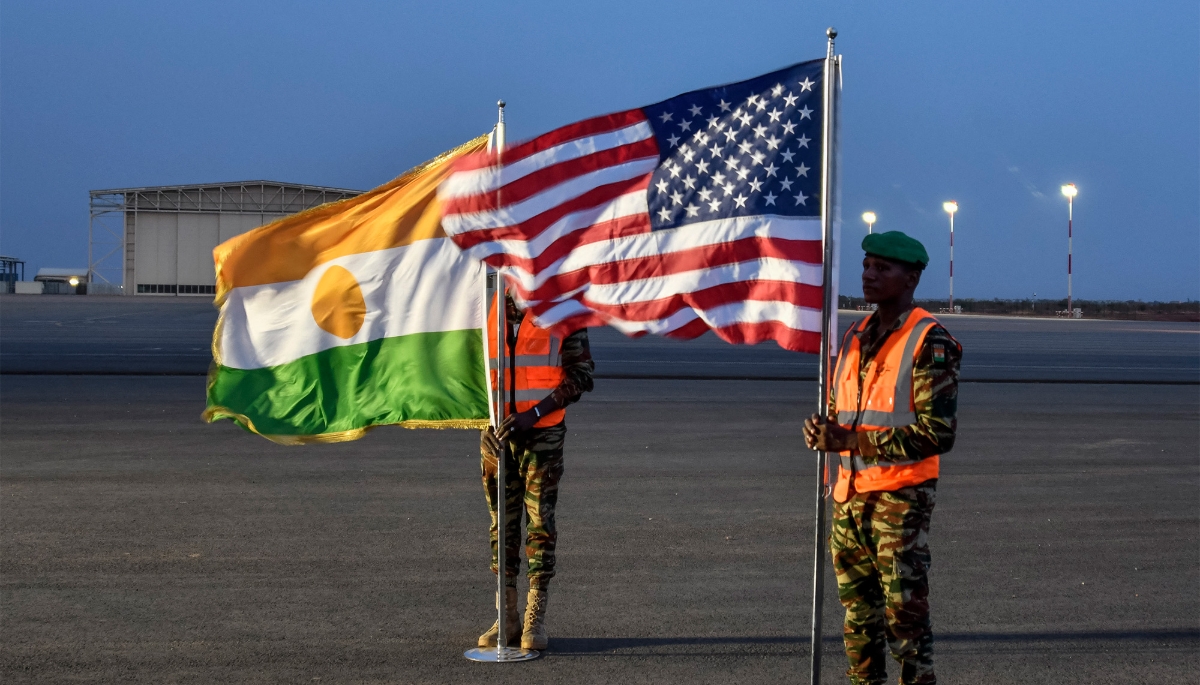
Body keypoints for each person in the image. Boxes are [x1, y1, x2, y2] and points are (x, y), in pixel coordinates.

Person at [804, 231, 961, 685]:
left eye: (882, 268)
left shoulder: (931, 342)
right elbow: (844, 413)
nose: (869, 275)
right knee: (859, 621)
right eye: (867, 265)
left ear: (910, 278)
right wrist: (823, 431)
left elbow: (938, 434)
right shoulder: (853, 335)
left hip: (899, 502)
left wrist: (852, 442)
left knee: (905, 623)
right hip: (849, 499)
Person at [477, 291, 594, 651]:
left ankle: (534, 617)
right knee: (502, 523)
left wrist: (536, 414)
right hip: (497, 435)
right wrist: (482, 423)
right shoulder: (486, 305)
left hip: (541, 435)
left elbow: (581, 376)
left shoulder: (564, 306)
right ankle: (506, 614)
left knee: (539, 522)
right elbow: (472, 372)